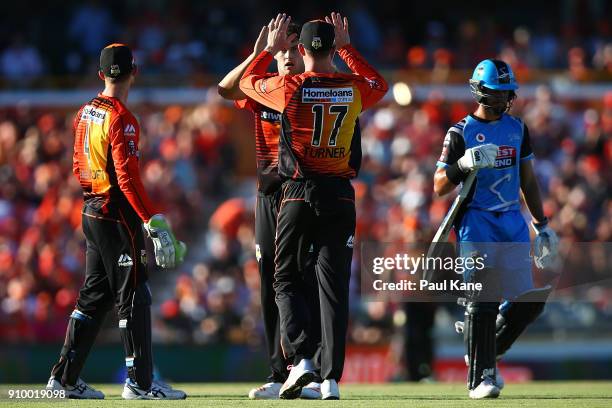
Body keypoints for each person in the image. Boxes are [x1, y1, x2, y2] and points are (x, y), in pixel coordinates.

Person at [239, 13, 387, 399]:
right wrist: (349, 49)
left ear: (300, 49)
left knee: (284, 277)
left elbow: (244, 83)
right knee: (333, 289)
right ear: (332, 50)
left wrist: (268, 51)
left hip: (298, 193)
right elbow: (380, 84)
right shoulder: (353, 88)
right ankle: (331, 379)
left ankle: (301, 357)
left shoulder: (289, 86)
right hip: (340, 193)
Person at [45, 43, 187, 400]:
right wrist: (151, 220)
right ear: (133, 72)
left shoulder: (85, 112)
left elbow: (78, 165)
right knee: (135, 293)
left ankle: (64, 379)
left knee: (93, 298)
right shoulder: (122, 118)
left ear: (100, 75)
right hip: (116, 214)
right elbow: (127, 179)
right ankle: (139, 383)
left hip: (91, 210)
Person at [433, 59, 559, 399]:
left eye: (507, 92)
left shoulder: (518, 128)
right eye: (498, 92)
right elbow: (439, 185)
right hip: (476, 220)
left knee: (528, 302)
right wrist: (463, 163)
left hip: (512, 222)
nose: (504, 99)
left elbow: (528, 180)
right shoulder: (460, 132)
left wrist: (541, 225)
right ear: (481, 92)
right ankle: (480, 377)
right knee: (483, 298)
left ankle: (484, 347)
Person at [217, 21, 322, 400]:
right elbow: (225, 89)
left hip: (303, 194)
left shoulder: (314, 90)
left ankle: (310, 368)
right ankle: (280, 374)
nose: (289, 59)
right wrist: (259, 52)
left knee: (303, 280)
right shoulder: (261, 91)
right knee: (270, 283)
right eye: (282, 53)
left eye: (296, 51)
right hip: (268, 196)